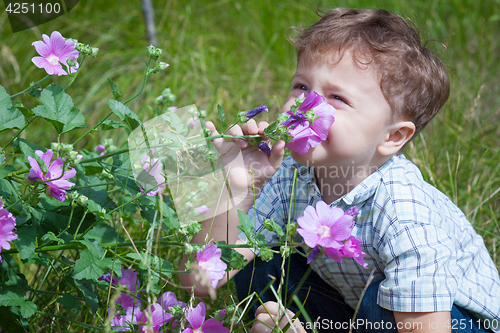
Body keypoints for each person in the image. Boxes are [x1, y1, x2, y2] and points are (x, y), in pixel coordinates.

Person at [179, 8, 500, 333]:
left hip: (453, 322)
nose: (304, 107)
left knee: (380, 300)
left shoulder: (403, 213)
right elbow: (197, 282)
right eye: (302, 86)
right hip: (353, 304)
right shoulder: (287, 175)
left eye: (336, 97)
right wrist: (237, 192)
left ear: (392, 137)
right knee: (262, 257)